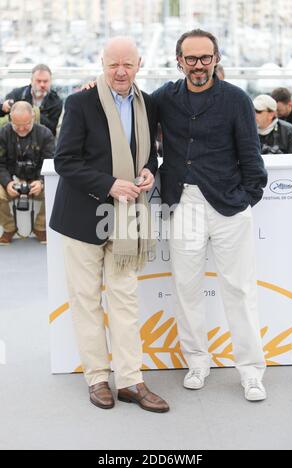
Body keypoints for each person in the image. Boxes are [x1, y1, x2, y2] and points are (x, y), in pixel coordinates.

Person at [49, 37, 169, 413]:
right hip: (83, 218)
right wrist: (108, 184)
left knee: (125, 301)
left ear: (139, 65)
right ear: (102, 63)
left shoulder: (148, 103)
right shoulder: (79, 102)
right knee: (85, 301)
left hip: (127, 221)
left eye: (128, 64)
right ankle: (97, 378)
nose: (120, 71)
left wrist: (150, 171)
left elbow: (150, 153)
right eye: (113, 64)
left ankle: (131, 380)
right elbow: (64, 160)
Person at [152, 29, 268, 401]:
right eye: (191, 58)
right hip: (182, 202)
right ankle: (197, 361)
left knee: (239, 289)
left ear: (216, 58)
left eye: (206, 58)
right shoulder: (164, 98)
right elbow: (129, 103)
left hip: (229, 205)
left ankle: (251, 372)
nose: (199, 65)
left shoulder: (235, 99)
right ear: (179, 61)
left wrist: (249, 196)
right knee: (187, 289)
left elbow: (251, 154)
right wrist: (96, 87)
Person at [0, 101, 55, 245]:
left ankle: (40, 227)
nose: (22, 129)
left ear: (33, 117)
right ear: (10, 118)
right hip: (12, 180)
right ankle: (9, 227)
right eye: (17, 125)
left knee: (56, 190)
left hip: (37, 181)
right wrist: (7, 183)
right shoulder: (3, 133)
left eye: (26, 124)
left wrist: (41, 181)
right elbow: (0, 164)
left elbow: (50, 162)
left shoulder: (45, 134)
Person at [0, 64, 63, 137]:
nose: (42, 85)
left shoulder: (56, 101)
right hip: (15, 139)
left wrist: (32, 111)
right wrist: (3, 107)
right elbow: (3, 112)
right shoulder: (17, 94)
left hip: (41, 140)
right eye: (38, 81)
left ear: (50, 81)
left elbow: (52, 128)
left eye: (45, 81)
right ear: (32, 80)